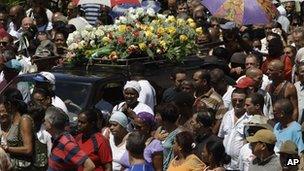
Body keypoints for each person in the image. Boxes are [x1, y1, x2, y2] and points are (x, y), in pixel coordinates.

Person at [0, 88, 33, 170]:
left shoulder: (24, 120)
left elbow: (28, 149)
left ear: (9, 104)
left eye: (5, 103)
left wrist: (7, 149)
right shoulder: (12, 122)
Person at [218, 88, 250, 170]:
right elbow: (221, 137)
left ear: (246, 101)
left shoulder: (250, 119)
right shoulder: (227, 115)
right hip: (224, 165)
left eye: (241, 100)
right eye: (234, 100)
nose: (237, 103)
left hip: (240, 166)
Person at [192, 69, 227, 134]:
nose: (193, 82)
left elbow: (220, 120)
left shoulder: (216, 99)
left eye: (196, 80)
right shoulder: (191, 93)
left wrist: (210, 136)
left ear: (204, 81)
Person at [156, 103, 181, 170]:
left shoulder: (178, 134)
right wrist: (157, 140)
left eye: (158, 115)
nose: (156, 117)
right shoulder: (160, 129)